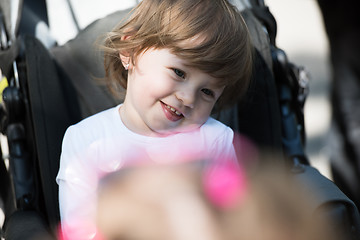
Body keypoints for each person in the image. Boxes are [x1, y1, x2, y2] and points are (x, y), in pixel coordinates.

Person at [56, 0, 253, 239]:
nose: (188, 97)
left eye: (207, 92)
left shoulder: (213, 142)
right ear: (130, 52)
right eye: (179, 72)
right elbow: (79, 228)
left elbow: (234, 222)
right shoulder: (87, 140)